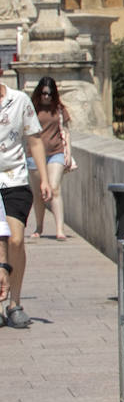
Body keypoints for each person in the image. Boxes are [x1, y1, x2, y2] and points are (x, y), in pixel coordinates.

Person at [0, 78, 51, 329]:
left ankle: (15, 302)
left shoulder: (19, 101)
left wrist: (44, 179)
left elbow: (34, 140)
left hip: (15, 181)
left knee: (16, 240)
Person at [27, 77, 72, 241]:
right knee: (39, 193)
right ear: (39, 92)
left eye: (50, 94)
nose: (47, 97)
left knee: (54, 189)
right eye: (44, 93)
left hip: (56, 152)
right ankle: (39, 227)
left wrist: (68, 153)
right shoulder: (31, 108)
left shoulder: (59, 109)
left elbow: (66, 132)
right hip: (34, 155)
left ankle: (60, 229)